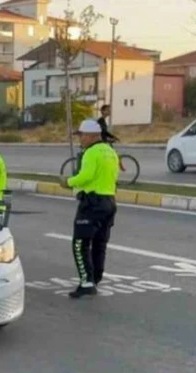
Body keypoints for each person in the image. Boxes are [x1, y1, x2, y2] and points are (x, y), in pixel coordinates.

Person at [61, 119, 120, 299]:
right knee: (100, 244)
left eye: (82, 136)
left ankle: (87, 282)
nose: (80, 139)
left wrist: (68, 182)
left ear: (91, 136)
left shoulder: (91, 152)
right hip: (109, 201)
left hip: (92, 203)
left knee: (80, 243)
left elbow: (86, 176)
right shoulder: (110, 152)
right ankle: (96, 277)